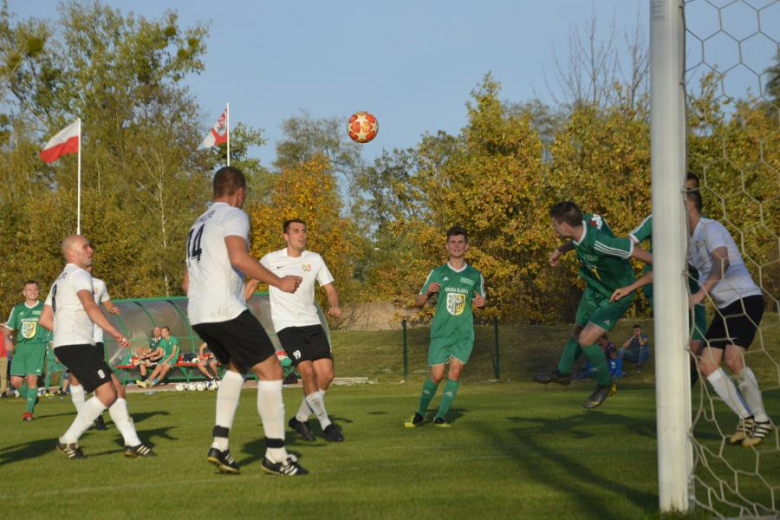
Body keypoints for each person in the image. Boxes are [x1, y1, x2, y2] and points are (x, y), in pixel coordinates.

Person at [183, 165, 307, 475]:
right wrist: (280, 282)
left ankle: (220, 445)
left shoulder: (197, 223)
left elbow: (186, 282)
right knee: (272, 370)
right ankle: (276, 455)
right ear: (240, 193)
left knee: (237, 367)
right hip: (224, 308)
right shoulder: (233, 215)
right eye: (245, 195)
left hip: (198, 311)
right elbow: (238, 258)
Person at [39, 235, 153, 459]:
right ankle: (68, 440)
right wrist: (113, 331)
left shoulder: (59, 280)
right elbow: (89, 303)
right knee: (107, 393)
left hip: (71, 343)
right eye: (85, 247)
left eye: (90, 245)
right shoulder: (79, 274)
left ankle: (132, 442)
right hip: (77, 343)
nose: (91, 250)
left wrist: (62, 335)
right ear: (72, 253)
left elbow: (45, 318)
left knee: (117, 388)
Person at [534, 201, 652, 409]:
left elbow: (640, 253)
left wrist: (632, 286)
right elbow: (580, 240)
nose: (553, 228)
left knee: (586, 340)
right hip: (595, 287)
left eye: (554, 225)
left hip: (616, 294)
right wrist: (561, 249)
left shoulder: (600, 242)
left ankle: (606, 384)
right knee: (577, 331)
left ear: (564, 226)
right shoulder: (585, 222)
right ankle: (563, 373)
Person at [685, 190, 770, 447]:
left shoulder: (711, 228)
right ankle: (746, 418)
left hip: (745, 299)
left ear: (688, 205)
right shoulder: (689, 242)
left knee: (734, 359)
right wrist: (630, 256)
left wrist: (701, 293)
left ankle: (762, 419)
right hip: (725, 307)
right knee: (707, 364)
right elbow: (662, 265)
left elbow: (721, 262)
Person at [254, 219, 344, 442]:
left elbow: (330, 289)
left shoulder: (314, 259)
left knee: (327, 374)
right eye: (295, 231)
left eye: (304, 231)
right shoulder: (271, 259)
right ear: (285, 236)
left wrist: (334, 304)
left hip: (312, 323)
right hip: (287, 326)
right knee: (308, 372)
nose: (301, 235)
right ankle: (326, 424)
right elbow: (252, 283)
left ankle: (300, 419)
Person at [622, 172, 708, 383]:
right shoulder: (656, 218)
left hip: (692, 281)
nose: (686, 195)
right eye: (683, 190)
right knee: (673, 328)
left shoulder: (701, 223)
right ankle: (676, 373)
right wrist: (658, 261)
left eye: (691, 190)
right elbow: (628, 242)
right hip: (659, 282)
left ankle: (690, 370)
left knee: (698, 328)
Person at [404, 226, 486, 429]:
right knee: (436, 375)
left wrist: (482, 303)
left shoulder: (475, 275)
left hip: (463, 333)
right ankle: (420, 413)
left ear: (466, 246)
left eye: (460, 242)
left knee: (455, 373)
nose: (456, 246)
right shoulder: (437, 273)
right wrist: (427, 293)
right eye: (453, 242)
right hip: (441, 332)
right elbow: (418, 301)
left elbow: (482, 299)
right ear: (447, 245)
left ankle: (440, 416)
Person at [4, 280, 50, 420]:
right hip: (21, 347)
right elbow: (8, 328)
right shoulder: (17, 309)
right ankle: (32, 397)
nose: (33, 292)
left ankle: (28, 412)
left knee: (31, 380)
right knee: (15, 382)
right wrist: (7, 339)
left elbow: (53, 326)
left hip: (37, 346)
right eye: (29, 290)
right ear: (24, 292)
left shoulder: (44, 308)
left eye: (35, 289)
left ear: (38, 291)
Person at [0, 322, 9, 398]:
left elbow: (8, 326)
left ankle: (3, 392)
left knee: (3, 376)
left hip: (3, 357)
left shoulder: (5, 334)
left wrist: (4, 325)